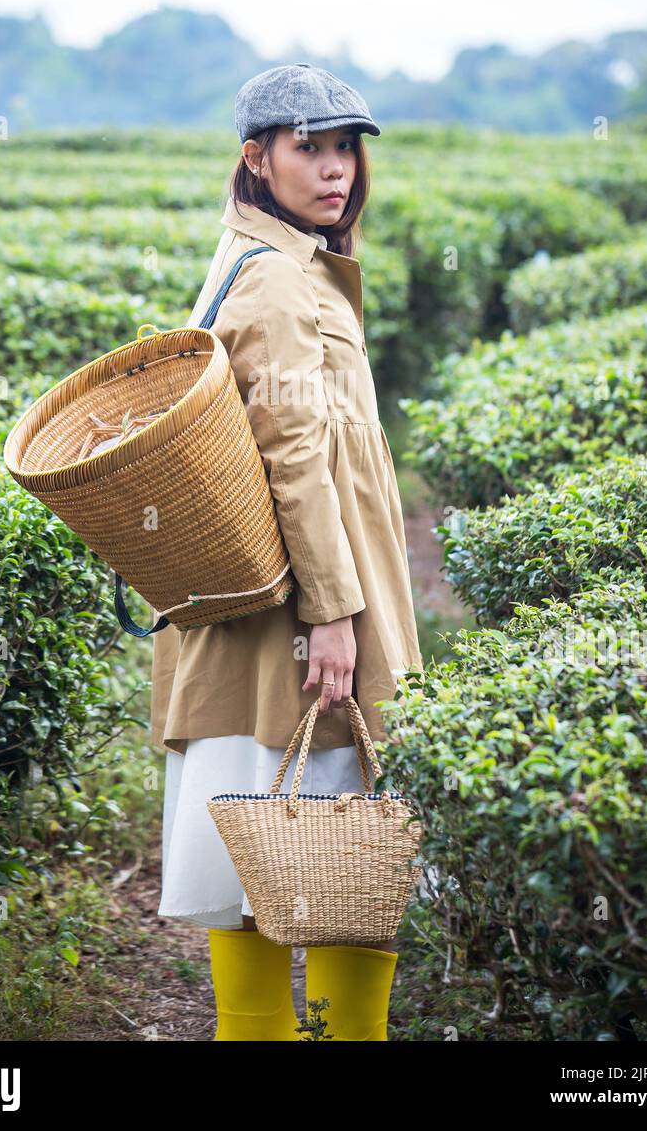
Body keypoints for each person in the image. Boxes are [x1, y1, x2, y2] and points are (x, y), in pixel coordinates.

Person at [151, 63, 423, 1041]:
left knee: (257, 840)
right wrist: (335, 617)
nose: (334, 166)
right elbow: (296, 456)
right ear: (255, 157)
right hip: (299, 617)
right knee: (347, 835)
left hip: (270, 613)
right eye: (308, 146)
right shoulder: (275, 279)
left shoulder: (267, 255)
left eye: (345, 145)